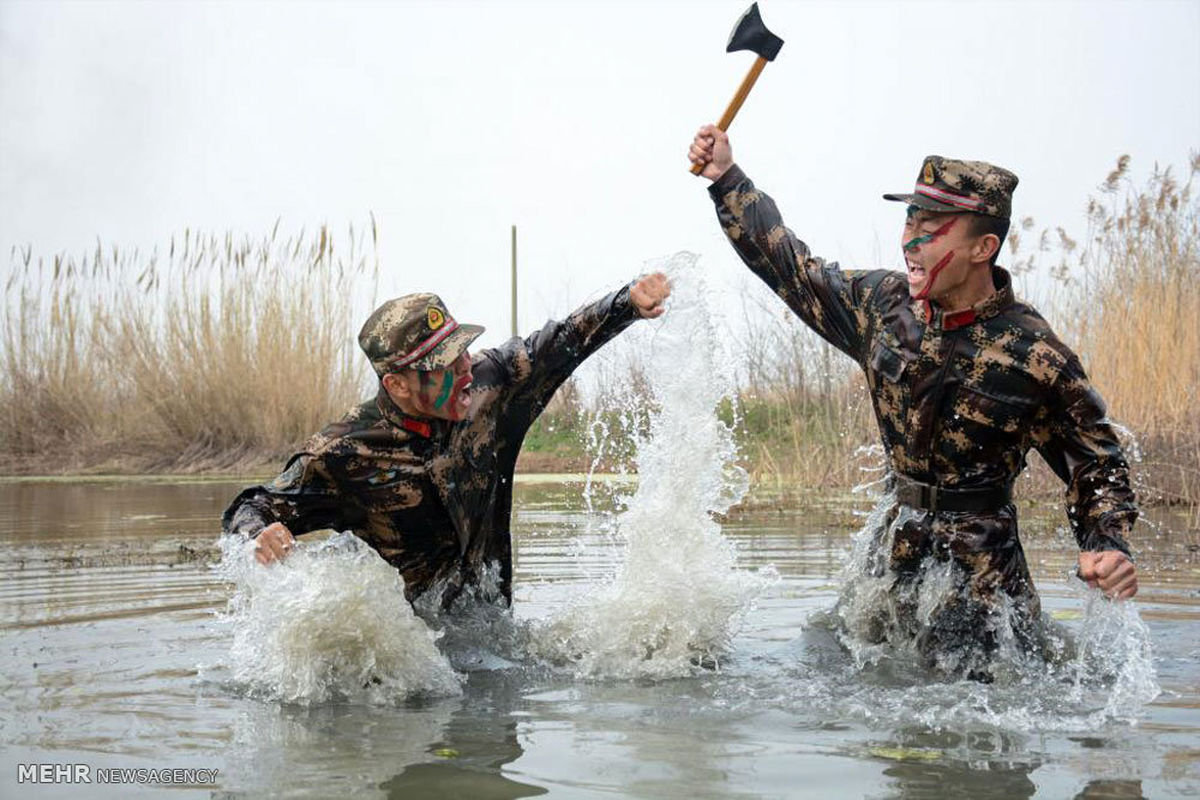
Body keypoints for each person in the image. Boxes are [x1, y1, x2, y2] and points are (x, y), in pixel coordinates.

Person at [687, 126, 1138, 670]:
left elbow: (1097, 464)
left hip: (981, 583)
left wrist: (1106, 544)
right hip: (890, 556)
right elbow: (792, 269)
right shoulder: (883, 307)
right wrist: (726, 179)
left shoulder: (1035, 355)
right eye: (909, 222)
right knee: (858, 678)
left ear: (983, 248)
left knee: (966, 709)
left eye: (930, 230)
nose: (910, 243)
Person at [222, 273, 671, 609]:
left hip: (493, 634)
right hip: (413, 667)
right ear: (397, 385)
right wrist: (259, 534)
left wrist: (627, 303)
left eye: (461, 351)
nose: (464, 369)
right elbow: (252, 505)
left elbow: (560, 341)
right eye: (444, 365)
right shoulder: (344, 452)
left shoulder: (492, 386)